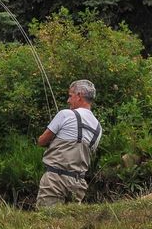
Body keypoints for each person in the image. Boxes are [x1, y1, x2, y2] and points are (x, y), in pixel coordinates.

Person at [35, 80, 103, 208]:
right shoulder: (98, 128)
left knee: (46, 222)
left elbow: (41, 141)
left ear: (79, 95)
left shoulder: (65, 114)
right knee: (69, 225)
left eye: (70, 95)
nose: (68, 100)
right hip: (78, 184)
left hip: (55, 180)